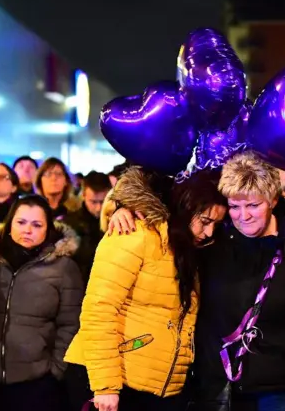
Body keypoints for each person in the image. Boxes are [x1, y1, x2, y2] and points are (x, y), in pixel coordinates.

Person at [108, 152, 285, 411]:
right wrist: (125, 206)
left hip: (282, 388)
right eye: (235, 206)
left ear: (273, 200)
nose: (243, 216)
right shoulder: (214, 240)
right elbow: (171, 198)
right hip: (218, 387)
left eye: (253, 205)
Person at [65, 167, 228, 411]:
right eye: (205, 221)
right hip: (112, 384)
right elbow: (99, 311)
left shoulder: (187, 252)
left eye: (216, 224)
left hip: (159, 388)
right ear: (185, 209)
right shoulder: (132, 233)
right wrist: (106, 386)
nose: (209, 233)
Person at [0, 195, 84, 411]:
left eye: (37, 225)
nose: (27, 230)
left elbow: (71, 324)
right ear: (9, 224)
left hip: (37, 384)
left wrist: (56, 371)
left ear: (48, 229)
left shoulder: (63, 268)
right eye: (21, 222)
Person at [64, 171, 111, 283]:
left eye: (102, 202)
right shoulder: (70, 224)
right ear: (83, 195)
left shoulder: (117, 222)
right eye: (93, 202)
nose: (99, 208)